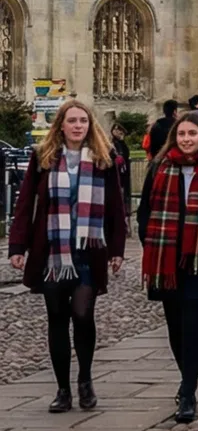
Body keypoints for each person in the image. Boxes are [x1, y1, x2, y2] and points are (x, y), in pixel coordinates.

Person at [8, 100, 129, 413]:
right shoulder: (43, 158)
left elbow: (116, 207)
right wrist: (17, 247)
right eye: (72, 121)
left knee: (83, 315)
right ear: (60, 125)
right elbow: (24, 206)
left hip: (89, 249)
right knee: (57, 319)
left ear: (90, 126)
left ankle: (85, 379)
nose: (78, 126)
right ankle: (63, 389)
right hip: (52, 251)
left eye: (83, 121)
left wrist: (117, 250)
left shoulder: (105, 158)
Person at [139, 110, 198, 424]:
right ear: (174, 138)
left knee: (192, 324)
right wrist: (151, 245)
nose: (187, 139)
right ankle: (186, 379)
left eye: (192, 134)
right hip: (166, 259)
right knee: (175, 326)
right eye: (182, 134)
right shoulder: (159, 167)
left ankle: (188, 391)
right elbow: (144, 213)